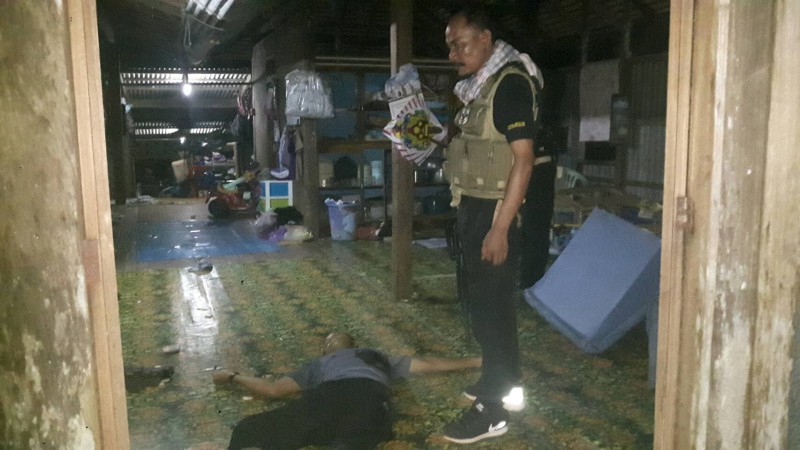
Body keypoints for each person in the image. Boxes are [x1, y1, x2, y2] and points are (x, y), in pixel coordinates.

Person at [441, 7, 546, 444]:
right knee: (485, 305)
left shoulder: (510, 85)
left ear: (485, 39)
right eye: (450, 46)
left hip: (496, 213)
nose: (453, 55)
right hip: (475, 206)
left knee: (492, 310)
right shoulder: (479, 87)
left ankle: (492, 412)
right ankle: (501, 380)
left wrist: (499, 229)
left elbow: (524, 161)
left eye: (460, 45)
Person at [212, 332, 481, 449]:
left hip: (350, 398)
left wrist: (233, 376)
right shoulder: (359, 358)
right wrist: (233, 376)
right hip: (358, 401)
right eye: (331, 338)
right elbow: (273, 389)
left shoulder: (356, 357)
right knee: (250, 431)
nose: (334, 339)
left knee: (250, 430)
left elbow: (273, 389)